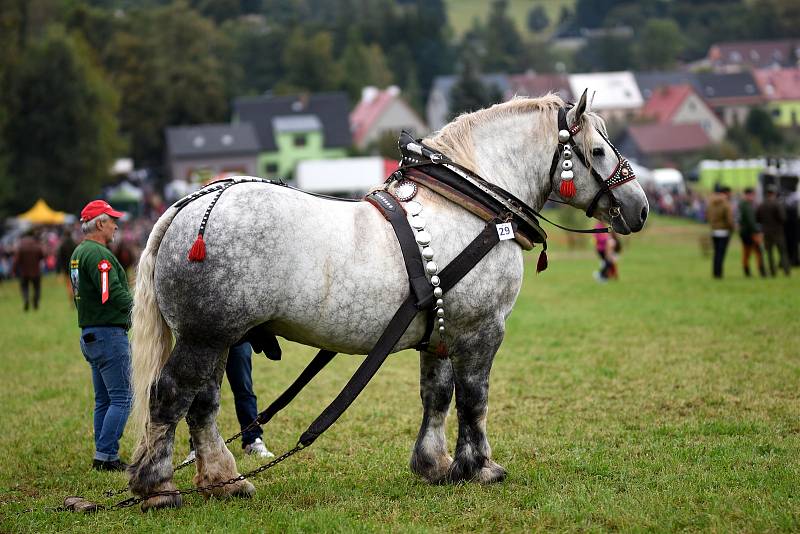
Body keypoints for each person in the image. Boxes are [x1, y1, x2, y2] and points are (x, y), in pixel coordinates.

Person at [70, 200, 133, 471]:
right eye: (111, 220)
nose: (116, 225)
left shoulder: (79, 252)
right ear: (99, 223)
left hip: (91, 333)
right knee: (123, 397)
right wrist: (140, 309)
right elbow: (111, 295)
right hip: (108, 334)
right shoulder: (99, 255)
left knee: (104, 399)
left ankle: (103, 453)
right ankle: (106, 456)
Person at [184, 341, 275, 462]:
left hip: (239, 337)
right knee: (202, 393)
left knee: (244, 388)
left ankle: (253, 440)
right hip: (207, 337)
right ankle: (197, 448)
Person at [756, 186, 791, 277]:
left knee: (769, 253)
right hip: (778, 232)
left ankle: (772, 272)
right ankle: (786, 270)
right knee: (782, 252)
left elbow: (758, 218)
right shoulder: (777, 204)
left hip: (766, 232)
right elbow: (783, 218)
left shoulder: (762, 204)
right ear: (774, 193)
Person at [11, 230, 45, 311]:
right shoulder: (37, 245)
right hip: (36, 271)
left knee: (24, 287)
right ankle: (35, 301)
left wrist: (14, 270)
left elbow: (16, 260)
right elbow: (42, 256)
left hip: (24, 272)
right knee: (37, 288)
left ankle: (26, 299)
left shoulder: (21, 247)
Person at [706, 186, 734, 279]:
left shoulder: (711, 203)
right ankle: (719, 274)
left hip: (714, 231)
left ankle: (715, 273)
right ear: (726, 193)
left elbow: (708, 216)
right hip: (724, 232)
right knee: (721, 254)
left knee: (716, 253)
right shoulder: (726, 204)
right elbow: (729, 220)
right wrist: (732, 228)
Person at [737, 187, 765, 277]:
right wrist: (757, 231)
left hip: (744, 232)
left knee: (746, 253)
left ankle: (747, 271)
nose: (754, 197)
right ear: (748, 195)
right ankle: (761, 271)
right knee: (758, 252)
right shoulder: (747, 206)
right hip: (751, 233)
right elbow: (751, 221)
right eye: (753, 195)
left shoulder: (741, 204)